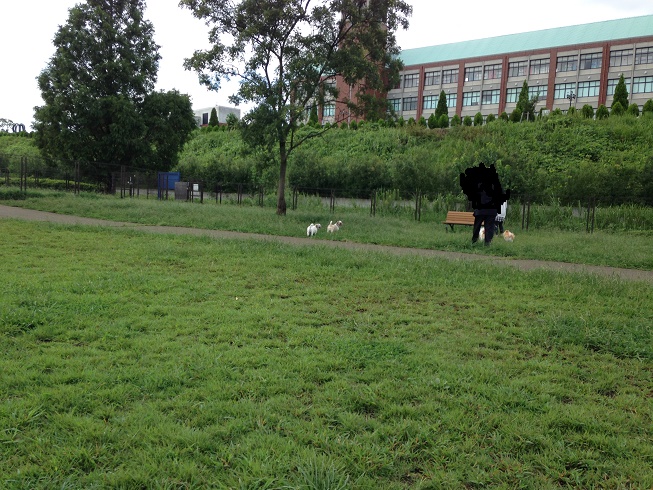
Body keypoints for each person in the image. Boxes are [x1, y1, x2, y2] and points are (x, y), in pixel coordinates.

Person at [459, 163, 509, 245]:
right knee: (489, 227)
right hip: (492, 210)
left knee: (477, 226)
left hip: (480, 209)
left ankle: (474, 241)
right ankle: (487, 243)